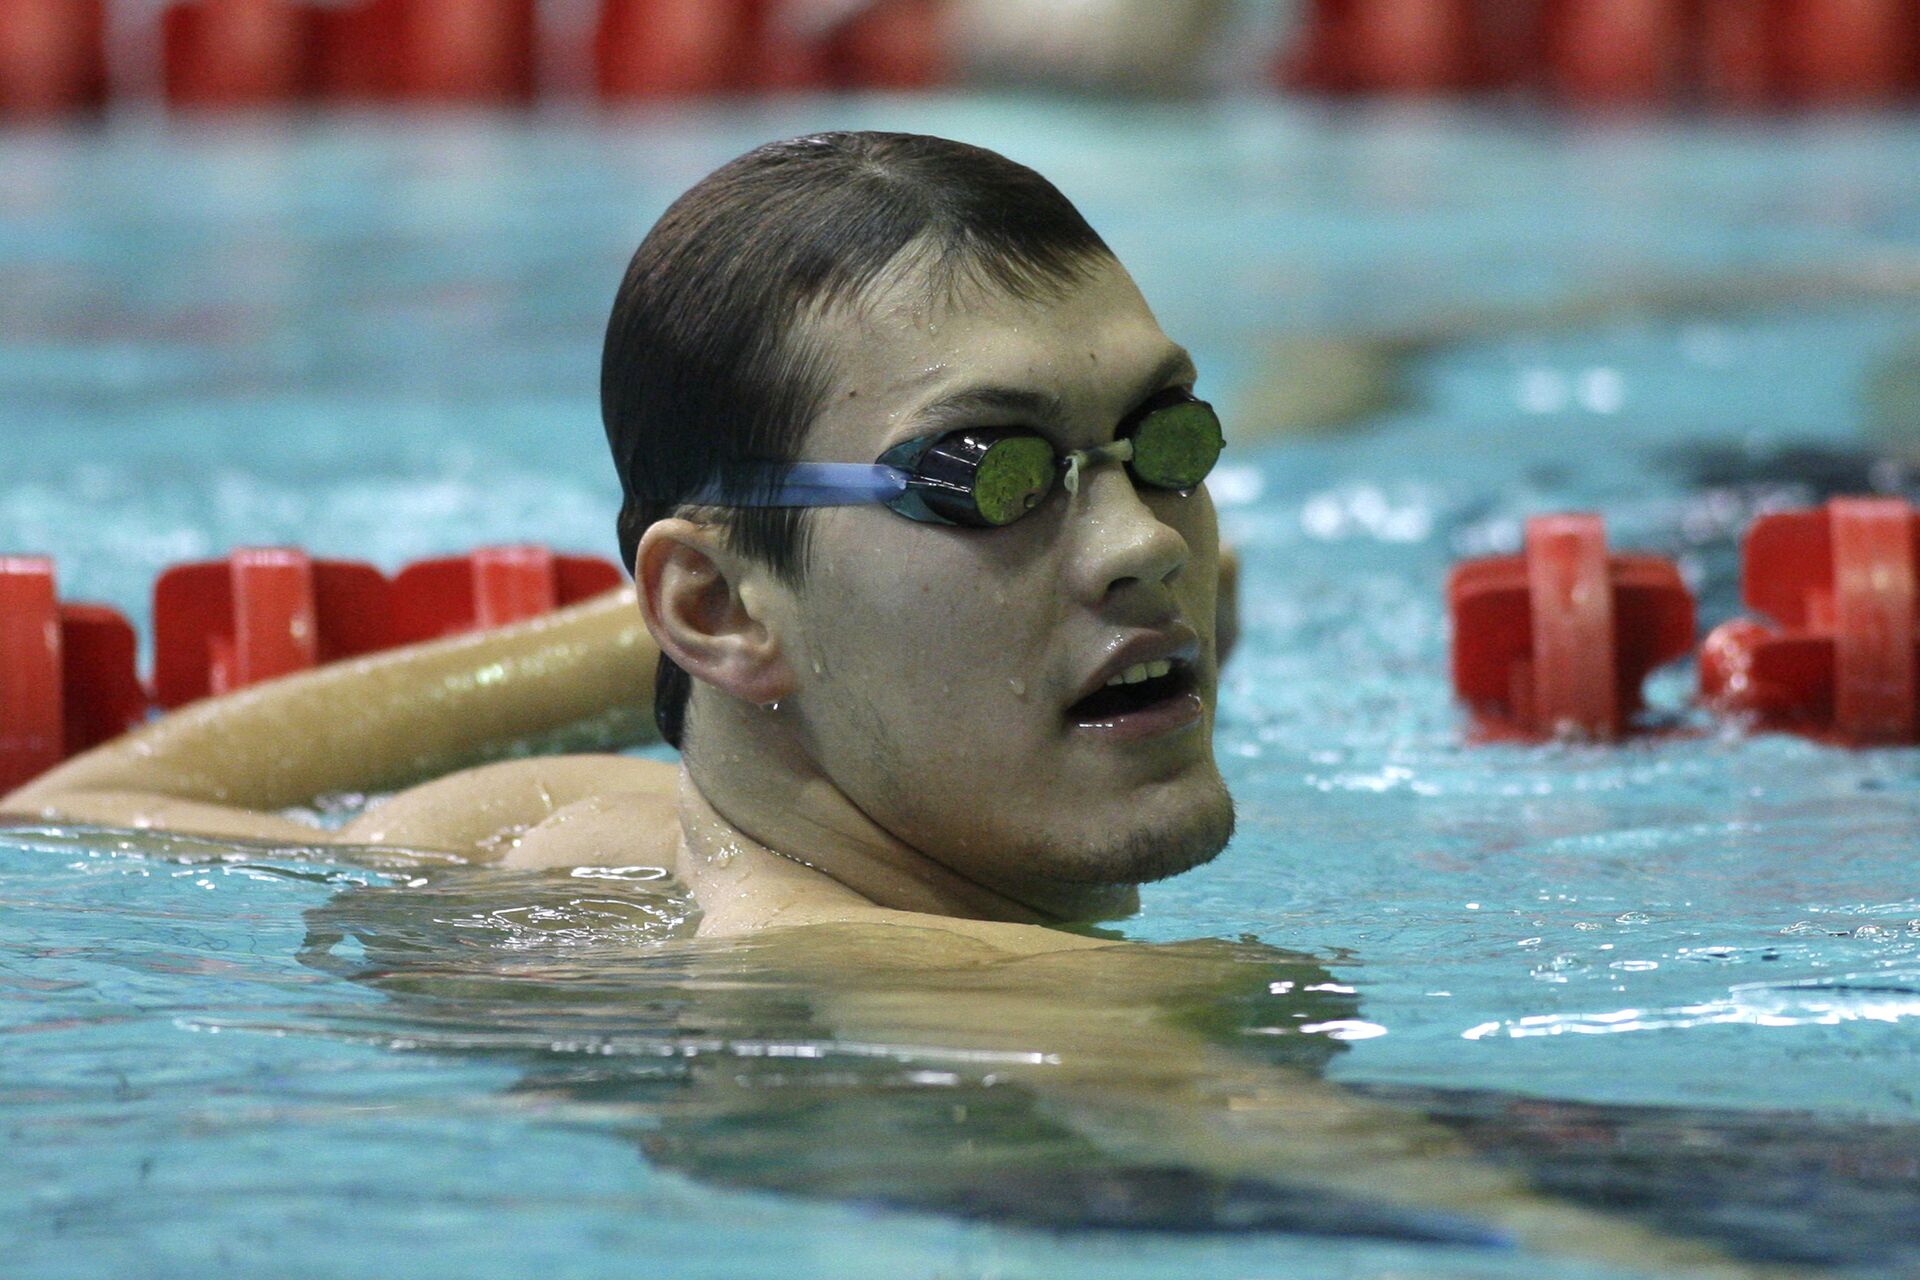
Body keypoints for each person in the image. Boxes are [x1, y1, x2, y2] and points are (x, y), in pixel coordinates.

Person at [0, 132, 1745, 1269]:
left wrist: (721, 643)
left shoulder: (550, 845)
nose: (1149, 549)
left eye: (1164, 441)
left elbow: (70, 819)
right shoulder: (1008, 999)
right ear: (705, 600)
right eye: (986, 475)